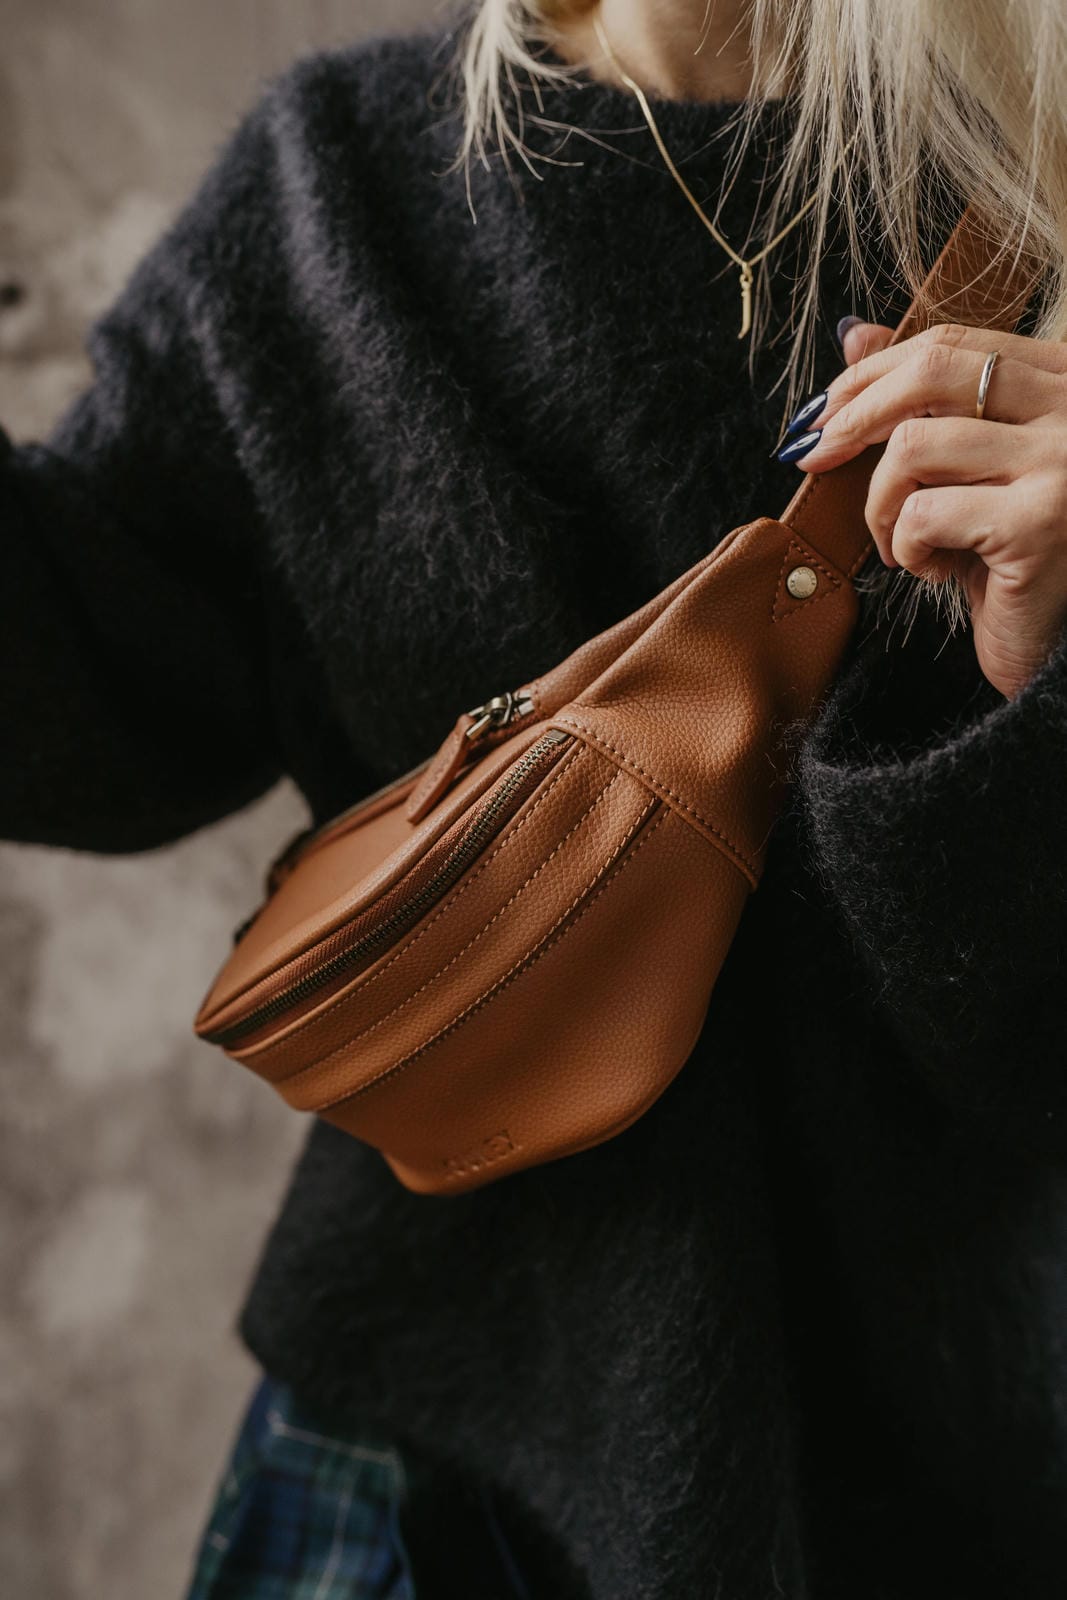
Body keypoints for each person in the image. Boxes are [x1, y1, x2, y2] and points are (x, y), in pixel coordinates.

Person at [5, 0, 1067, 1594]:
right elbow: (90, 691)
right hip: (443, 1440)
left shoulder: (1038, 185)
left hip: (962, 1451)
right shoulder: (338, 183)